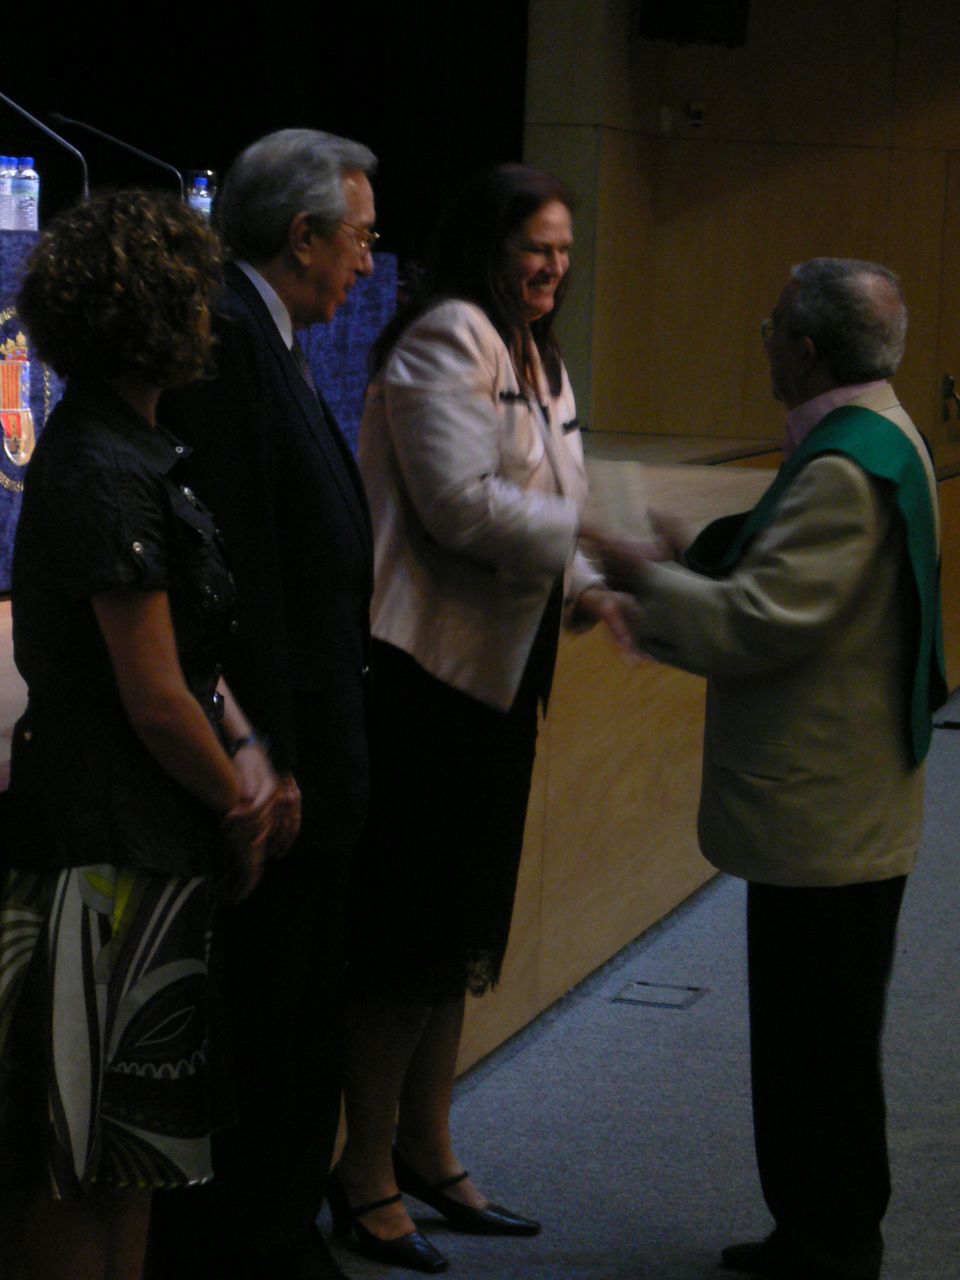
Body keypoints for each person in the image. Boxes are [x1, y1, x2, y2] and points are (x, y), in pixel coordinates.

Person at [592, 258, 946, 1280]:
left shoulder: (845, 467)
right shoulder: (877, 433)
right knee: (816, 1039)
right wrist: (690, 558)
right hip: (844, 799)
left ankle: (832, 1243)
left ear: (805, 349)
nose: (763, 338)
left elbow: (757, 623)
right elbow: (783, 570)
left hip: (827, 813)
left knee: (819, 1047)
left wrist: (636, 577)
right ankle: (814, 1229)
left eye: (772, 325)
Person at [332, 163, 625, 1273]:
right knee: (407, 942)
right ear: (487, 245)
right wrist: (597, 544)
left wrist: (590, 584)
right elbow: (461, 506)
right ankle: (363, 1170)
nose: (553, 267)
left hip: (497, 681)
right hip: (423, 681)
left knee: (457, 938)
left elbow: (556, 499)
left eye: (564, 249)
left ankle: (429, 1148)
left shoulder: (535, 350)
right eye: (535, 247)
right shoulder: (445, 337)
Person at [0, 190, 284, 1280]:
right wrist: (242, 799)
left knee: (131, 1158)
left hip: (143, 842)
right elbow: (157, 697)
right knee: (77, 1160)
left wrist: (243, 752)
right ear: (156, 313)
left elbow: (192, 667)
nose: (212, 315)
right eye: (197, 295)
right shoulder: (106, 467)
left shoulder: (134, 447)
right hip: (98, 849)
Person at [152, 129, 377, 1280]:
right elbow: (238, 574)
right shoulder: (234, 341)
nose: (369, 262)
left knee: (305, 1011)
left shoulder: (270, 333)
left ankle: (285, 1228)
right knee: (273, 1018)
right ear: (303, 235)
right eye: (360, 238)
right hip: (280, 762)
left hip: (313, 742)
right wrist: (267, 752)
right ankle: (262, 1242)